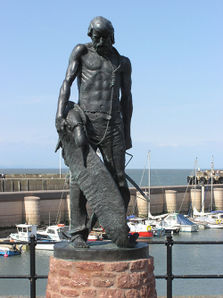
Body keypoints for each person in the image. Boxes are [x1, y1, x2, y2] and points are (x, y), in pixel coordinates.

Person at [55, 16, 133, 247]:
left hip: (113, 125)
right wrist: (60, 115)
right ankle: (78, 233)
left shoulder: (123, 62)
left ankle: (118, 229)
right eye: (95, 37)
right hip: (85, 122)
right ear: (90, 34)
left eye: (104, 38)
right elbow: (66, 83)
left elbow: (127, 98)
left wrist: (127, 133)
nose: (99, 42)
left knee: (119, 180)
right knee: (79, 180)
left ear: (112, 37)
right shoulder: (81, 52)